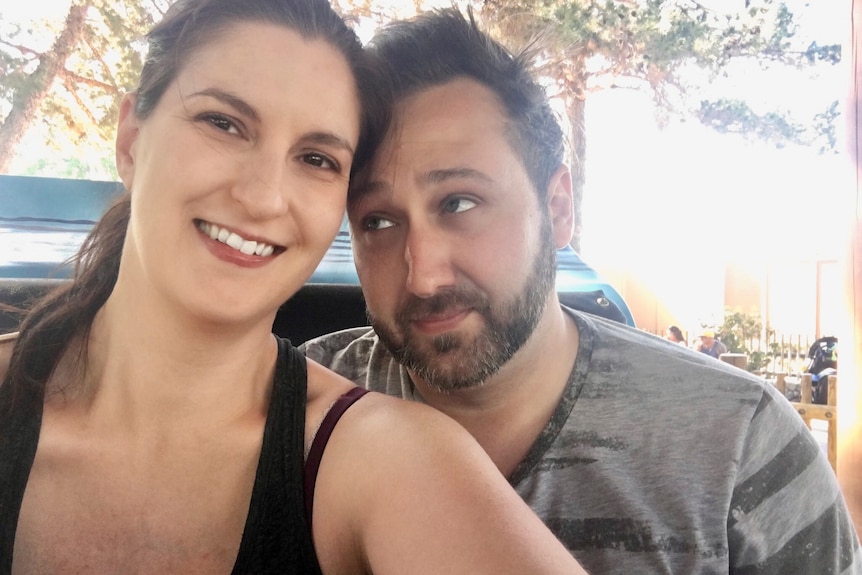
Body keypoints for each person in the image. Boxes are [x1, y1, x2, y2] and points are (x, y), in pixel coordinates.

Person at [0, 1, 587, 573]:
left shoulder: (387, 461)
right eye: (223, 123)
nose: (262, 197)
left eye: (316, 158)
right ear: (131, 139)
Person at [301, 8, 862, 573]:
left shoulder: (739, 445)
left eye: (459, 203)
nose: (423, 276)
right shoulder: (292, 407)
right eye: (377, 220)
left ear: (558, 207)